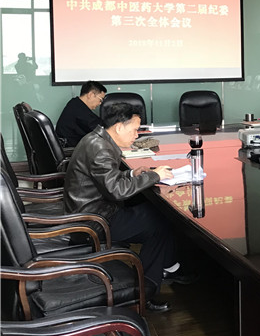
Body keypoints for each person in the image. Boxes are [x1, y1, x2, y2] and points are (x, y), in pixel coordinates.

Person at [64, 102, 192, 313]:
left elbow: (106, 179)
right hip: (94, 223)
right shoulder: (100, 149)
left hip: (92, 212)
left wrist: (132, 174)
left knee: (154, 211)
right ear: (118, 127)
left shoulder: (96, 139)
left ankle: (167, 266)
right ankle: (146, 290)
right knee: (159, 222)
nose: (136, 135)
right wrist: (154, 175)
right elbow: (117, 191)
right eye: (134, 130)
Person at [56, 80, 107, 147]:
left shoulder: (75, 103)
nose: (100, 103)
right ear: (91, 95)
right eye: (100, 100)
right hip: (70, 149)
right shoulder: (78, 109)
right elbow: (98, 128)